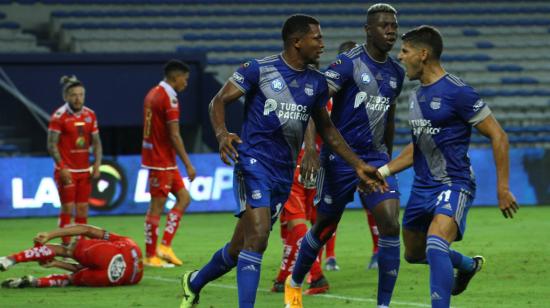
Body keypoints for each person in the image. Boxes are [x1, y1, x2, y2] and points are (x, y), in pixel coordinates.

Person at [179, 14, 384, 308]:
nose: (323, 45)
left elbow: (327, 129)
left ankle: (194, 282)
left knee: (240, 247)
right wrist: (222, 134)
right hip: (253, 163)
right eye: (317, 38)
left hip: (284, 173)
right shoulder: (258, 70)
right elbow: (218, 101)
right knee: (260, 236)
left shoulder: (316, 82)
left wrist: (357, 164)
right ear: (297, 42)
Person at [385, 25, 519, 307]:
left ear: (423, 54)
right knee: (413, 254)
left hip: (454, 182)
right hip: (422, 187)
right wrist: (383, 171)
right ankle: (468, 265)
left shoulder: (458, 92)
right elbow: (417, 147)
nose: (399, 56)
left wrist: (503, 187)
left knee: (436, 245)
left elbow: (498, 135)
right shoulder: (416, 96)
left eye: (405, 51)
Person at [285, 4, 404, 308]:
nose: (390, 31)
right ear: (368, 30)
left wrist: (387, 159)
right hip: (339, 159)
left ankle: (383, 304)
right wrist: (310, 147)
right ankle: (295, 281)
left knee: (390, 223)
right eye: (383, 26)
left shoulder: (396, 72)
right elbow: (315, 103)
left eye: (393, 25)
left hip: (375, 158)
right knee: (324, 226)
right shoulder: (347, 64)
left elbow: (389, 116)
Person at [270, 99, 333, 295]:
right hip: (319, 168)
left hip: (293, 167)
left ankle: (316, 275)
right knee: (309, 225)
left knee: (296, 223)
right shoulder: (328, 98)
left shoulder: (289, 95)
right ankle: (283, 277)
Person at [141, 60, 197, 268]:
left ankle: (164, 246)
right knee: (156, 208)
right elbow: (174, 135)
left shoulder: (153, 93)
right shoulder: (169, 98)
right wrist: (188, 164)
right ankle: (150, 255)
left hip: (162, 159)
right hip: (160, 161)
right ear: (176, 77)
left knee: (184, 198)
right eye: (185, 79)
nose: (186, 83)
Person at [47, 75, 102, 246]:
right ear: (66, 97)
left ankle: (80, 244)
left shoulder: (90, 115)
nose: (78, 98)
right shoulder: (59, 116)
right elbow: (51, 144)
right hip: (67, 170)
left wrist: (97, 164)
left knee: (83, 208)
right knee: (67, 208)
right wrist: (61, 167)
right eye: (74, 95)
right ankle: (65, 244)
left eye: (81, 95)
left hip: (84, 170)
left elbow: (97, 142)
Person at [0, 224, 143, 288]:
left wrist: (50, 235)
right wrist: (56, 264)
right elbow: (79, 269)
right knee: (70, 279)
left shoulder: (123, 240)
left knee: (65, 250)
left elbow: (87, 229)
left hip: (112, 254)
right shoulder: (127, 243)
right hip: (121, 277)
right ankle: (38, 282)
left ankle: (10, 259)